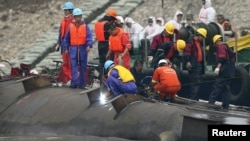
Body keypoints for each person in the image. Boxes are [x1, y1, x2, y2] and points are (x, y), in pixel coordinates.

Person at [63, 8, 93, 89]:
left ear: (81, 16)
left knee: (83, 66)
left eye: (79, 16)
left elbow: (89, 37)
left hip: (83, 48)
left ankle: (82, 83)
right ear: (74, 17)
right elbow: (66, 38)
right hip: (73, 48)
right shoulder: (71, 26)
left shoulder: (85, 26)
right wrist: (66, 48)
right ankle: (74, 82)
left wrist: (89, 45)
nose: (78, 18)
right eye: (76, 17)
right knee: (74, 66)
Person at [208, 35, 235, 110]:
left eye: (214, 44)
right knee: (226, 89)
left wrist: (217, 68)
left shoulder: (221, 47)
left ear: (216, 42)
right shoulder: (227, 47)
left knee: (217, 87)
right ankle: (226, 106)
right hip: (229, 73)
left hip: (223, 73)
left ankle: (210, 103)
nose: (215, 46)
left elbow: (222, 58)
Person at [183, 28, 207, 100]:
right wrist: (187, 62)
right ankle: (193, 98)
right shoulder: (191, 42)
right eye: (202, 37)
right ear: (199, 35)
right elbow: (187, 51)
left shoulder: (198, 43)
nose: (203, 39)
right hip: (194, 65)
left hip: (198, 65)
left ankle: (194, 97)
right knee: (195, 81)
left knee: (197, 81)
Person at [94, 8, 117, 81]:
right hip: (107, 45)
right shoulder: (108, 24)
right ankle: (109, 81)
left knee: (101, 63)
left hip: (100, 44)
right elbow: (113, 32)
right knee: (109, 63)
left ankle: (102, 81)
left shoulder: (98, 22)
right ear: (111, 17)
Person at [56, 2, 74, 84]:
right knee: (65, 63)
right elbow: (60, 33)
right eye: (64, 10)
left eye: (66, 10)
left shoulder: (73, 21)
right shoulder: (63, 20)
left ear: (70, 11)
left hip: (71, 45)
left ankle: (71, 78)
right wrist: (58, 43)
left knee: (71, 62)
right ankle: (67, 78)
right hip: (63, 45)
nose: (65, 12)